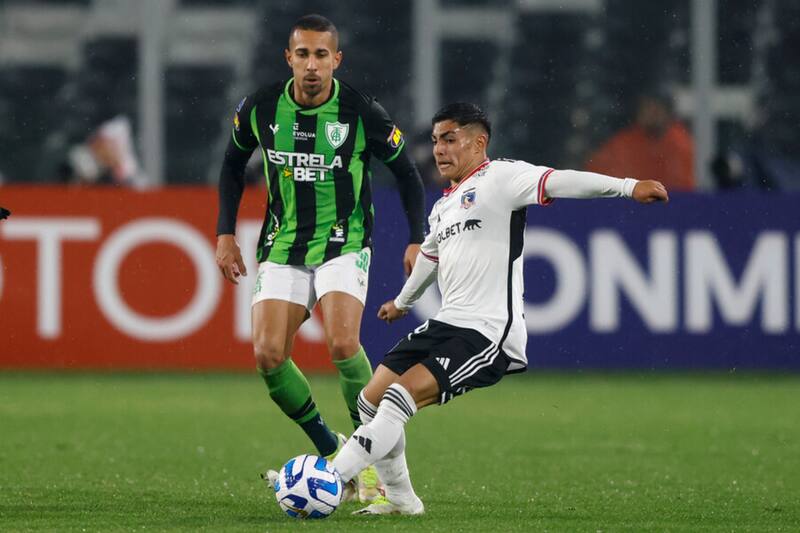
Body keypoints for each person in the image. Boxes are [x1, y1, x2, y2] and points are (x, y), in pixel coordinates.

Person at [317, 103, 669, 515]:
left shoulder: (502, 177)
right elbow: (429, 258)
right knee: (370, 401)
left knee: (398, 399)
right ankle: (400, 498)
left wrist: (628, 186)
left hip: (487, 331)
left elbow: (561, 181)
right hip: (446, 322)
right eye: (435, 140)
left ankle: (329, 478)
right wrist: (402, 302)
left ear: (478, 142)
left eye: (450, 139)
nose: (439, 149)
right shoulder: (444, 205)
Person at [214, 14, 426, 502]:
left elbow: (408, 174)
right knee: (268, 355)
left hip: (343, 242)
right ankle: (333, 452)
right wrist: (225, 233)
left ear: (337, 59)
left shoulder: (360, 111)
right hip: (283, 244)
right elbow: (231, 164)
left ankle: (369, 469)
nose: (312, 65)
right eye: (303, 54)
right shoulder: (261, 107)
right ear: (288, 58)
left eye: (321, 55)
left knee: (343, 343)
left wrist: (417, 238)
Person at [585, 91, 695, 191]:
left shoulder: (681, 142)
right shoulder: (624, 143)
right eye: (647, 108)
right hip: (631, 200)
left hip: (672, 201)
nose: (652, 114)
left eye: (656, 109)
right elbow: (598, 175)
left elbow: (687, 185)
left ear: (667, 112)